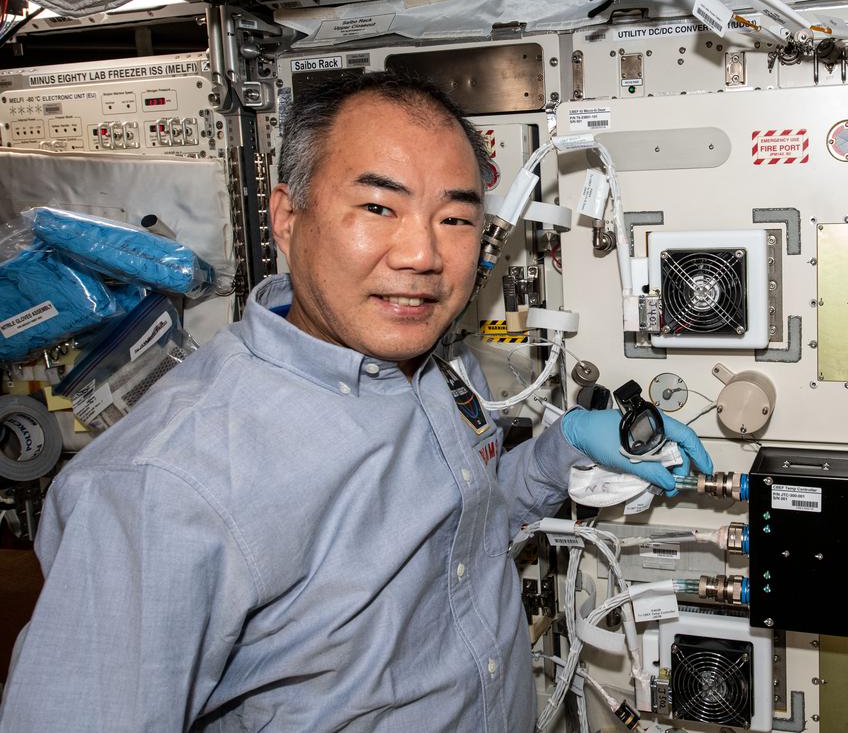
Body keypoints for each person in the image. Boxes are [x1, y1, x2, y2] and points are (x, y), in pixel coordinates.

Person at [0, 72, 712, 731]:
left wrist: (562, 451)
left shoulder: (435, 362)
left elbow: (461, 534)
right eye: (380, 206)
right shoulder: (160, 488)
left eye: (456, 219)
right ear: (286, 216)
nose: (423, 255)